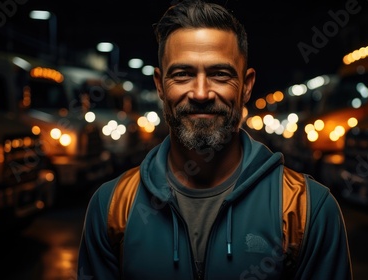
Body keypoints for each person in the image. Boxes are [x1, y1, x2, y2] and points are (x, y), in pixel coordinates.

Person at [77, 0, 352, 279]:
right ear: (160, 85)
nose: (200, 93)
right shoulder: (112, 207)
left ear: (246, 86)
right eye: (182, 74)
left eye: (219, 74)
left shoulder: (306, 209)